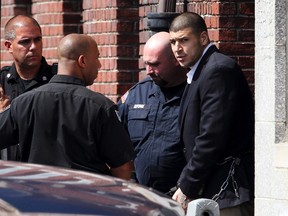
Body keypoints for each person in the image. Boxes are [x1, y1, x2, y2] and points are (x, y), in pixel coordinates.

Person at [0, 33, 134, 180]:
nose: (99, 65)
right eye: (97, 58)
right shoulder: (101, 107)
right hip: (85, 198)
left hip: (36, 196)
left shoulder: (23, 103)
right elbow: (122, 168)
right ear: (82, 61)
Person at [169, 12, 254, 215]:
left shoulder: (217, 71)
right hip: (212, 190)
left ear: (204, 38)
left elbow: (211, 137)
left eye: (184, 40)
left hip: (227, 192)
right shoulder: (201, 71)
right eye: (172, 42)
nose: (177, 49)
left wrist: (187, 185)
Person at [118, 32, 187, 193]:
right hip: (140, 196)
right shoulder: (136, 95)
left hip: (181, 197)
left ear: (176, 60)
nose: (148, 71)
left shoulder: (195, 94)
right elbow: (115, 142)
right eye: (146, 64)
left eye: (155, 64)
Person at [0, 14, 56, 160]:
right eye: (25, 42)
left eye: (37, 39)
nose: (34, 47)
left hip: (47, 173)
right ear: (9, 46)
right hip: (8, 174)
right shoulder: (1, 82)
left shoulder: (56, 80)